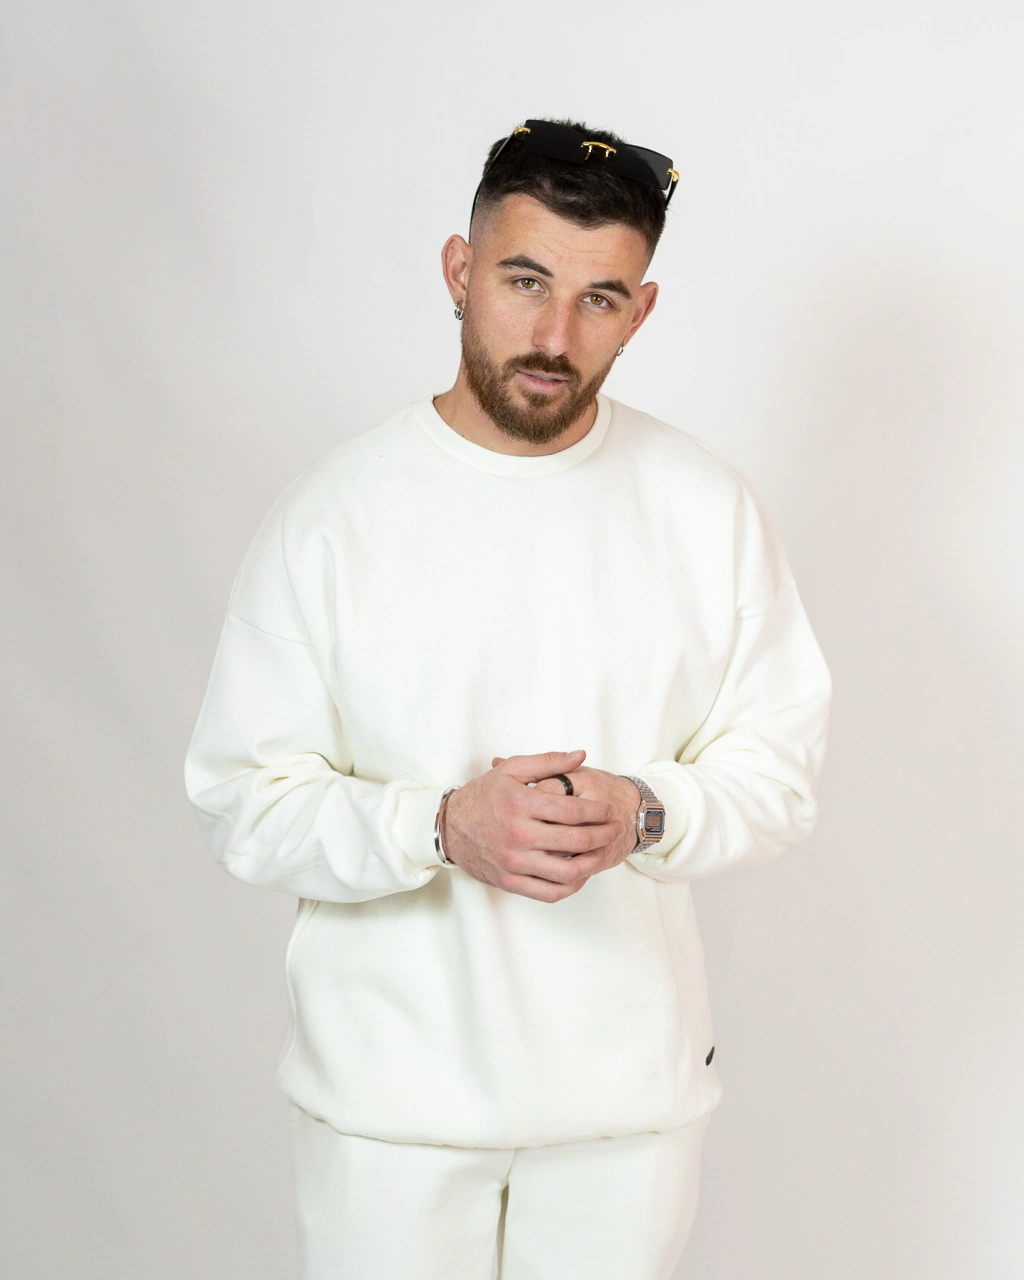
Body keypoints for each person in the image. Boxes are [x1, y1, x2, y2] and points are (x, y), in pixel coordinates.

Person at [184, 116, 832, 1280]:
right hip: (385, 1112)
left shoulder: (704, 509)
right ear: (459, 269)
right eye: (524, 280)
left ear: (640, 311)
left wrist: (644, 808)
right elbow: (243, 800)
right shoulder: (334, 516)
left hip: (627, 1117)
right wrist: (437, 824)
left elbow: (776, 776)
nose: (552, 335)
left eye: (598, 297)